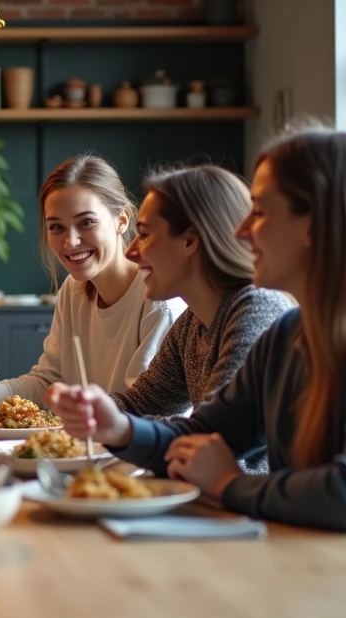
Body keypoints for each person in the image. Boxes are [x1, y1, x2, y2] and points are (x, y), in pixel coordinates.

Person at [48, 127, 346, 579]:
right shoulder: (290, 334)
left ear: (314, 224)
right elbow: (201, 435)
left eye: (259, 211)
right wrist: (117, 427)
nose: (240, 230)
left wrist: (232, 486)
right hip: (320, 576)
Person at [0, 154, 182, 409]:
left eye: (87, 223)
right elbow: (49, 381)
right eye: (56, 227)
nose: (70, 242)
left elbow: (148, 409)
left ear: (122, 221)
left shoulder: (159, 299)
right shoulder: (73, 290)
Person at [108, 165, 293, 472]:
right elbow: (143, 403)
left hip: (250, 511)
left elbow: (209, 441)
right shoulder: (193, 323)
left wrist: (114, 425)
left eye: (143, 234)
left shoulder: (255, 310)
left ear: (189, 241)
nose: (131, 252)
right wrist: (83, 413)